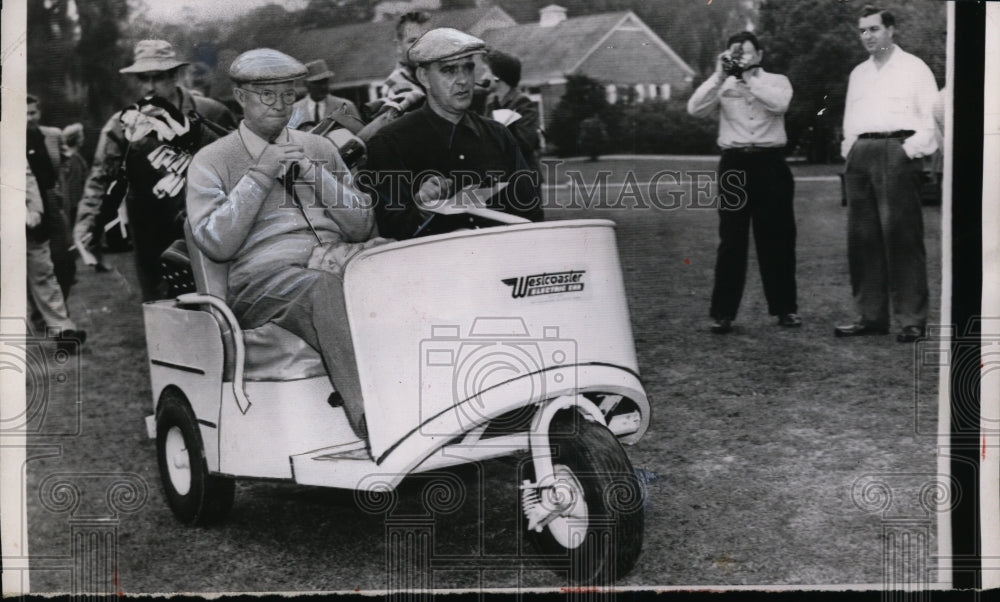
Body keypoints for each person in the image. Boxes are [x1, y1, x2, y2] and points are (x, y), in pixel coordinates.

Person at [186, 48, 387, 441]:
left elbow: (361, 225)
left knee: (401, 265)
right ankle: (376, 423)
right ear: (240, 96)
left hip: (335, 262)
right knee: (320, 287)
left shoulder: (320, 148)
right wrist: (260, 173)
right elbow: (216, 244)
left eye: (288, 94)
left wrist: (313, 171)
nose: (281, 105)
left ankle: (441, 406)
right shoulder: (212, 160)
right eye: (267, 95)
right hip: (262, 283)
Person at [74, 39, 236, 301]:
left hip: (207, 223)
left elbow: (240, 165)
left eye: (157, 78)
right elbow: (100, 176)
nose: (149, 87)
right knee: (162, 306)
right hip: (151, 231)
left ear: (174, 75)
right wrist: (86, 225)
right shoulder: (123, 125)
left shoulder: (211, 113)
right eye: (143, 79)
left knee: (217, 299)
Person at [362, 28, 544, 240]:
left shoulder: (498, 136)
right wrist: (421, 206)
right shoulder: (390, 143)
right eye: (449, 70)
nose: (463, 80)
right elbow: (387, 233)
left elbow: (531, 214)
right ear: (424, 77)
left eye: (468, 68)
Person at [835, 6, 938, 343]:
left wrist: (907, 151)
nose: (867, 36)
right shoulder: (858, 74)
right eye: (862, 30)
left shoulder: (914, 68)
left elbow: (931, 120)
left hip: (897, 150)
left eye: (874, 29)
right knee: (862, 238)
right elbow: (850, 121)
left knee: (902, 235)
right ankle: (871, 316)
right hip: (861, 155)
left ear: (891, 30)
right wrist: (850, 151)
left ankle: (911, 319)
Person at [687, 31, 799, 334]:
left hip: (770, 162)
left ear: (760, 56)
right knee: (732, 240)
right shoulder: (722, 85)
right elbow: (694, 109)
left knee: (778, 238)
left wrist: (748, 79)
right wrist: (718, 75)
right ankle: (723, 313)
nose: (743, 59)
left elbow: (780, 104)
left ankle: (785, 308)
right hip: (734, 164)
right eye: (737, 53)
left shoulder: (777, 81)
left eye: (748, 53)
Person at [26, 165, 86, 351]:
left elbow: (27, 176)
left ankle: (64, 332)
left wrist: (35, 209)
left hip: (25, 225)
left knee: (43, 272)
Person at [27, 94, 76, 301]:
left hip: (51, 200)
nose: (29, 118)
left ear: (39, 112)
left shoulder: (52, 135)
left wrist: (59, 188)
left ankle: (62, 308)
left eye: (32, 112)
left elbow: (67, 160)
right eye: (24, 114)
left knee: (63, 259)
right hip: (27, 204)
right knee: (36, 263)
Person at [484, 49, 542, 181]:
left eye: (486, 71)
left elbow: (525, 144)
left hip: (522, 180)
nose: (482, 78)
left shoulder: (522, 103)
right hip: (497, 179)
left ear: (497, 76)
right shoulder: (490, 103)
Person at [287, 59, 363, 131]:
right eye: (318, 83)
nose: (323, 86)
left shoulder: (345, 106)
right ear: (307, 84)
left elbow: (360, 134)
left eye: (325, 81)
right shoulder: (295, 110)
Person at [59, 123, 89, 227]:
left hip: (72, 206)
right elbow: (73, 187)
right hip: (76, 207)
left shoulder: (70, 158)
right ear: (76, 139)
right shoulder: (74, 160)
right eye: (81, 136)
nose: (83, 138)